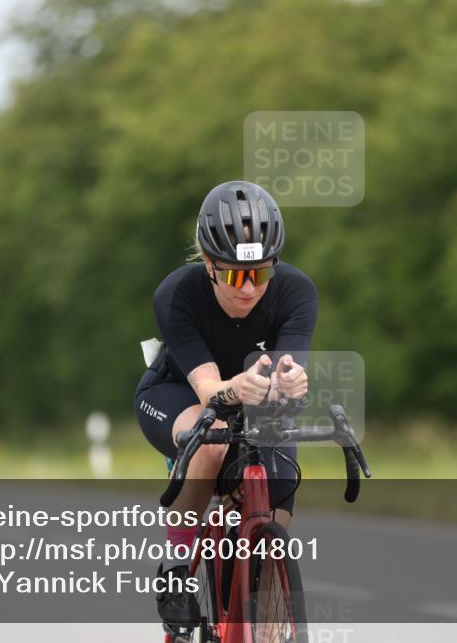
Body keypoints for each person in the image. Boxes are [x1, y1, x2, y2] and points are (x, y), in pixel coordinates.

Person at [134, 180, 317, 628]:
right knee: (212, 439)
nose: (250, 288)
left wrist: (292, 382)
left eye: (261, 273)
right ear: (210, 265)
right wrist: (239, 389)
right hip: (178, 395)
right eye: (236, 274)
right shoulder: (177, 294)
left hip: (256, 400)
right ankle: (176, 572)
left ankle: (256, 613)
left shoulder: (297, 292)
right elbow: (210, 389)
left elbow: (283, 369)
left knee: (276, 506)